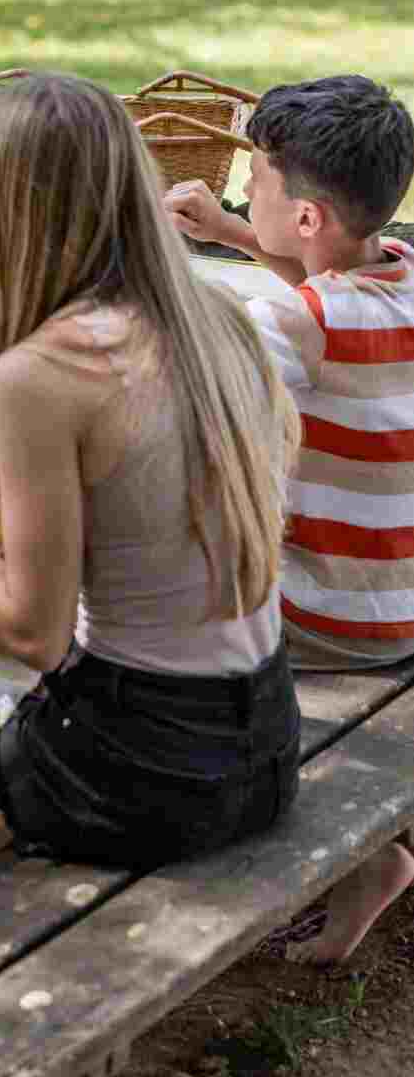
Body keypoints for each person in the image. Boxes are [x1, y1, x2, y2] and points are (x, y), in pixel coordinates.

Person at [0, 72, 301, 920]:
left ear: (3, 211)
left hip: (149, 776)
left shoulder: (39, 373)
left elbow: (32, 632)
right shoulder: (213, 312)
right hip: (263, 740)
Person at [166, 74, 414, 964]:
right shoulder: (399, 278)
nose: (244, 194)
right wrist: (234, 234)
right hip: (400, 599)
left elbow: (194, 392)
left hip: (332, 622)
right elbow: (332, 300)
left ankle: (334, 852)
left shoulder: (290, 322)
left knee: (155, 622)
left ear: (304, 218)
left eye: (255, 186)